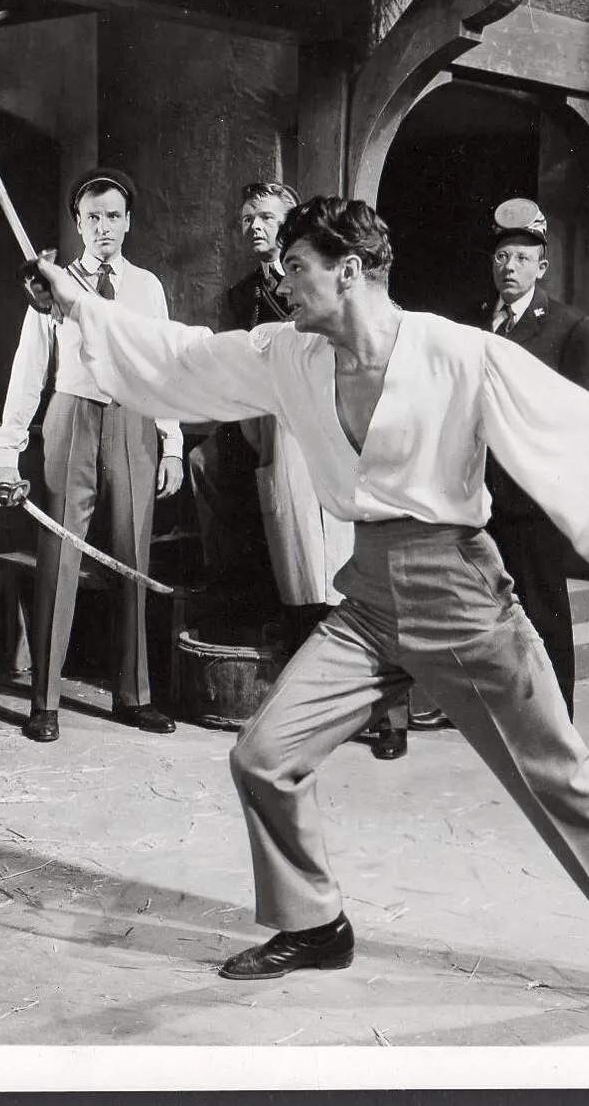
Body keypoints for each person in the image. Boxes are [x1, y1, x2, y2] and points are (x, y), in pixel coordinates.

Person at [17, 197, 589, 1041]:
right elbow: (183, 359)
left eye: (297, 268)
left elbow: (574, 427)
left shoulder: (455, 351)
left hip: (461, 593)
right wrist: (78, 305)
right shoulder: (289, 355)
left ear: (348, 270)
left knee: (561, 777)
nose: (282, 284)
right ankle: (315, 922)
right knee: (264, 756)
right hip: (371, 599)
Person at [188, 183, 397, 759]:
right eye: (248, 218)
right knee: (299, 565)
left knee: (353, 565)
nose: (257, 227)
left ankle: (382, 715)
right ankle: (312, 708)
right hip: (277, 434)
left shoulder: (328, 289)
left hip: (335, 426)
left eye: (268, 218)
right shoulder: (242, 296)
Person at [0, 168, 183, 744]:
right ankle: (44, 702)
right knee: (60, 558)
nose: (104, 228)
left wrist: (170, 443)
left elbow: (162, 363)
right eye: (93, 217)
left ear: (128, 222)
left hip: (135, 420)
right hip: (71, 418)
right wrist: (7, 452)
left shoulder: (146, 286)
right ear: (78, 224)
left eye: (113, 216)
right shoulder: (55, 284)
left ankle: (134, 695)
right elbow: (28, 372)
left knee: (133, 560)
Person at [411, 198, 589, 731]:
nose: (509, 268)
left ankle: (553, 720)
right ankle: (475, 708)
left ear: (541, 266)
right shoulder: (472, 322)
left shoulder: (569, 327)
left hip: (531, 497)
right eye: (502, 257)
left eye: (522, 258)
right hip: (473, 492)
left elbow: (588, 420)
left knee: (541, 611)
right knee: (474, 607)